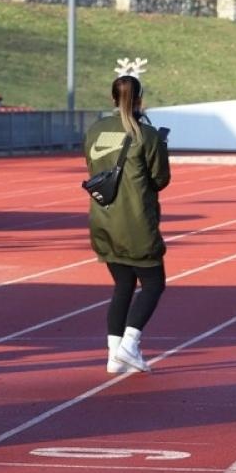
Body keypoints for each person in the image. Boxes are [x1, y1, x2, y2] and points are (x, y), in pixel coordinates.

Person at [85, 65, 171, 374]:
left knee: (122, 284)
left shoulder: (94, 130)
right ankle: (130, 345)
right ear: (140, 100)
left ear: (112, 97)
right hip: (136, 221)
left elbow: (93, 168)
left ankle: (112, 355)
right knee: (153, 283)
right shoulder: (146, 135)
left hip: (104, 219)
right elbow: (160, 180)